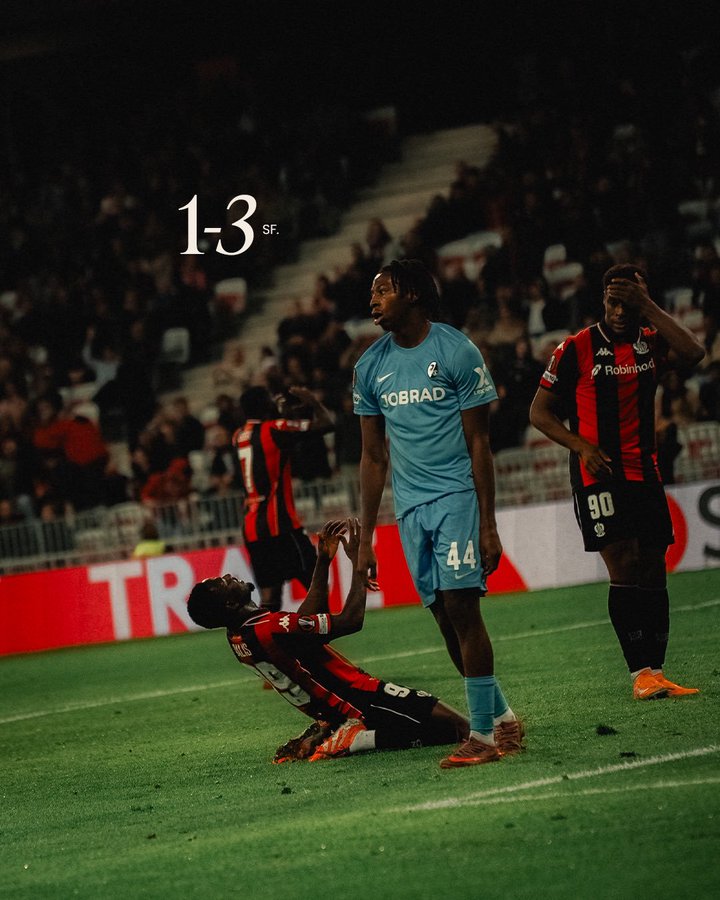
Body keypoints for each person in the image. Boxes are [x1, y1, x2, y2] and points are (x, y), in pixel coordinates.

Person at [352, 258, 523, 769]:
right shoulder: (369, 367)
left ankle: (483, 737)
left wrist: (488, 524)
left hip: (456, 498)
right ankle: (503, 719)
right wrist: (365, 539)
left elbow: (480, 442)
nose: (373, 300)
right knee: (444, 619)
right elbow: (373, 458)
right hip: (410, 511)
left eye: (383, 290)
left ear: (412, 294)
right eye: (373, 292)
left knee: (463, 609)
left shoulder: (456, 350)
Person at [529, 265, 705, 700]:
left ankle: (658, 672)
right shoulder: (576, 347)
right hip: (598, 472)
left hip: (645, 469)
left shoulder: (652, 341)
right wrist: (581, 446)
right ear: (602, 301)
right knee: (624, 563)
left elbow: (694, 352)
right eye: (614, 302)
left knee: (654, 564)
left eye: (629, 302)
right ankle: (639, 673)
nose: (621, 311)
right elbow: (539, 413)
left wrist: (648, 306)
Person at [186, 519, 471, 762]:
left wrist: (323, 562)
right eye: (223, 583)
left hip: (334, 707)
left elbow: (304, 626)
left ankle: (339, 731)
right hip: (360, 697)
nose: (228, 576)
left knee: (445, 727)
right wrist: (358, 566)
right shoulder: (269, 628)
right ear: (229, 604)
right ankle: (353, 738)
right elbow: (351, 620)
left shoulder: (239, 636)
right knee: (462, 729)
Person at [234, 384, 334, 614]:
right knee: (316, 583)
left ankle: (266, 636)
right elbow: (327, 424)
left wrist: (282, 413)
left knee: (270, 597)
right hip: (281, 525)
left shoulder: (238, 436)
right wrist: (312, 401)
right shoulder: (275, 429)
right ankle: (323, 633)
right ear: (264, 405)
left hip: (252, 528)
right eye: (270, 399)